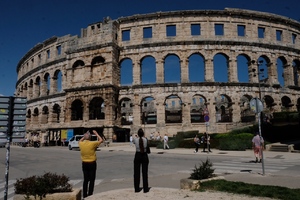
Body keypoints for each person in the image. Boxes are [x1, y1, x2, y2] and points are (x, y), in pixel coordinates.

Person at [79, 130, 103, 198]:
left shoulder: (81, 144)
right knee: (92, 180)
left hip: (84, 163)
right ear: (90, 138)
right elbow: (101, 140)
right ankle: (90, 194)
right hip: (92, 163)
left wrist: (84, 136)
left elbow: (80, 140)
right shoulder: (92, 143)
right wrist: (96, 133)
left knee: (85, 180)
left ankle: (84, 195)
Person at [133, 128, 149, 193]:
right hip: (144, 155)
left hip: (138, 154)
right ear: (143, 134)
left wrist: (136, 136)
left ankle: (136, 188)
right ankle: (145, 188)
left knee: (136, 172)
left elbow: (134, 141)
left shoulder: (135, 140)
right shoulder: (145, 140)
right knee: (145, 173)